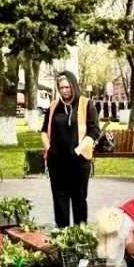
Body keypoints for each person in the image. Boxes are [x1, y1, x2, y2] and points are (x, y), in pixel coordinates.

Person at [41, 71, 100, 228]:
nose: (64, 91)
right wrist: (49, 149)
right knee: (60, 199)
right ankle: (62, 234)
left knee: (79, 198)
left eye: (67, 87)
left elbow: (94, 131)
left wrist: (77, 150)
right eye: (61, 88)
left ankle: (80, 234)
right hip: (57, 161)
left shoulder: (86, 104)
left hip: (79, 161)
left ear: (74, 85)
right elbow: (44, 131)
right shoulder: (54, 106)